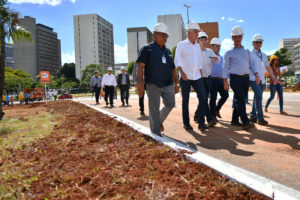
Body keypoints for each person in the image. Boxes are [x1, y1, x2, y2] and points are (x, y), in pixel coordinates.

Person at [137, 23, 179, 136]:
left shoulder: (168, 52)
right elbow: (140, 67)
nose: (165, 38)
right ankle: (156, 133)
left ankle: (158, 121)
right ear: (155, 35)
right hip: (152, 84)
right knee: (154, 109)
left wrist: (177, 83)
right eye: (162, 35)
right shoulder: (147, 49)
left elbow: (173, 69)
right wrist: (140, 85)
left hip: (168, 84)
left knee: (171, 103)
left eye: (166, 36)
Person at [223, 26, 260, 130]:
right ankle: (245, 121)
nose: (237, 39)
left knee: (239, 99)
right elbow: (225, 68)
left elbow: (252, 64)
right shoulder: (229, 53)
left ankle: (234, 120)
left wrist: (256, 75)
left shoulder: (247, 51)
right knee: (240, 99)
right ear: (232, 38)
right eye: (235, 37)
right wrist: (225, 81)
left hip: (245, 78)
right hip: (235, 79)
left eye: (239, 36)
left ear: (242, 37)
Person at [175, 22, 208, 131]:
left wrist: (201, 75)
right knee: (186, 101)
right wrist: (182, 73)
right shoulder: (181, 45)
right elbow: (177, 61)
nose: (197, 34)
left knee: (203, 98)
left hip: (197, 76)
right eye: (196, 32)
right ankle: (186, 123)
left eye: (197, 32)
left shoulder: (198, 46)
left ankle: (201, 122)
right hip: (186, 77)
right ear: (189, 33)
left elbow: (199, 62)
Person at [249, 34, 278, 125]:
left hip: (262, 80)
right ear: (253, 43)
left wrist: (273, 76)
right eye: (256, 42)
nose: (258, 44)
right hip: (253, 79)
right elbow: (249, 67)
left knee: (256, 97)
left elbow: (268, 67)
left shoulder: (264, 55)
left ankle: (252, 116)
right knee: (259, 96)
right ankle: (260, 118)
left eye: (260, 42)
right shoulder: (250, 54)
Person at [193, 31, 219, 126]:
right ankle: (209, 119)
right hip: (199, 79)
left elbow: (216, 60)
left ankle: (196, 115)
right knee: (203, 99)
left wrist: (216, 59)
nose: (203, 41)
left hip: (208, 79)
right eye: (201, 40)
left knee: (203, 99)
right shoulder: (195, 51)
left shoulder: (210, 51)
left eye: (205, 40)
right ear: (198, 41)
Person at [208, 37, 229, 120]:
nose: (218, 48)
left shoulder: (221, 57)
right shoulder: (209, 56)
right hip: (212, 80)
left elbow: (224, 69)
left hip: (221, 80)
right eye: (216, 46)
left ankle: (217, 109)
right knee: (213, 98)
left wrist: (225, 81)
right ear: (212, 47)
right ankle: (212, 116)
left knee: (225, 95)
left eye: (219, 46)